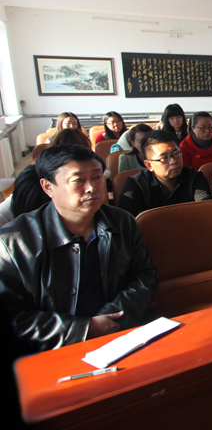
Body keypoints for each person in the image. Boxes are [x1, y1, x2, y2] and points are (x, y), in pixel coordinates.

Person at [0, 144, 158, 352]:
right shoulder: (12, 243)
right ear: (48, 187)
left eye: (96, 177)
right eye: (78, 180)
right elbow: (13, 318)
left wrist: (112, 319)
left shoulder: (122, 222)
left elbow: (144, 276)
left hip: (119, 337)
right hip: (51, 351)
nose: (92, 187)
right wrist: (83, 329)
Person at [119, 130, 211, 217]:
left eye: (176, 153)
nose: (173, 161)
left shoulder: (195, 177)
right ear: (149, 165)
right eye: (164, 158)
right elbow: (126, 222)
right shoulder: (135, 185)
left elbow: (205, 213)